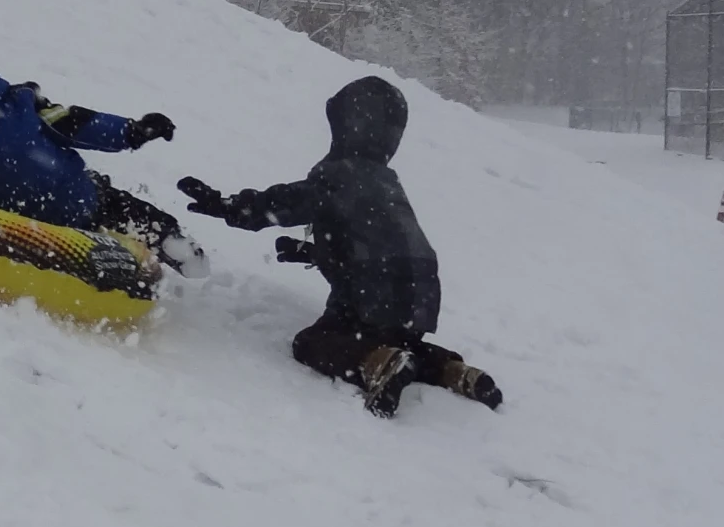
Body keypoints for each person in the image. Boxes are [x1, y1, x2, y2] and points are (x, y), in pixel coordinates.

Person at [177, 76, 503, 417]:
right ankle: (455, 372)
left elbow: (289, 202)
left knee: (315, 343)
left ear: (348, 126)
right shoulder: (386, 182)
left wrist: (231, 206)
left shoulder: (339, 174)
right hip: (419, 293)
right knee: (403, 341)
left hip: (371, 293)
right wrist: (309, 253)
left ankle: (375, 362)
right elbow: (376, 240)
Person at [0, 42, 203, 273]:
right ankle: (175, 245)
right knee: (120, 206)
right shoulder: (22, 102)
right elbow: (78, 123)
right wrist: (132, 131)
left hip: (9, 215)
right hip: (76, 199)